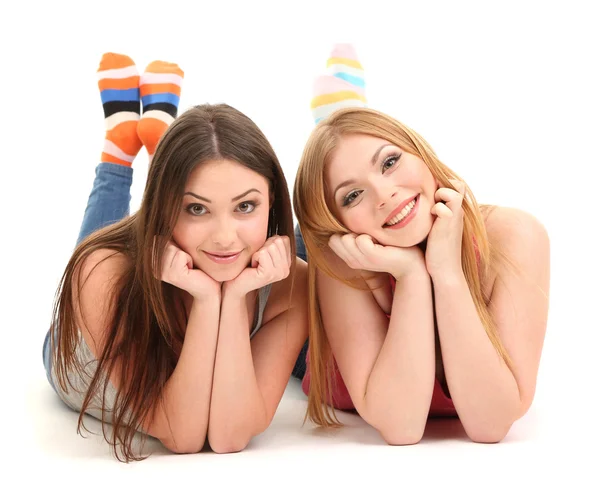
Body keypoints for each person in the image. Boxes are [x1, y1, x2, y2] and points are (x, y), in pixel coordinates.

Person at [43, 52, 308, 461]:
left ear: (273, 202)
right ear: (168, 208)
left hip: (167, 240)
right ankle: (117, 152)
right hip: (77, 343)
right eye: (196, 208)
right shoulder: (101, 272)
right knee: (100, 246)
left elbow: (230, 436)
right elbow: (182, 436)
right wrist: (205, 299)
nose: (225, 239)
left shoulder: (293, 283)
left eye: (246, 207)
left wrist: (232, 297)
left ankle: (164, 157)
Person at [292, 44, 550, 444]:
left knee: (342, 154)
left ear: (422, 153)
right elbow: (401, 427)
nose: (384, 193)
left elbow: (490, 424)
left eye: (390, 162)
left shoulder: (515, 236)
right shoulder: (339, 253)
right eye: (352, 195)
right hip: (324, 315)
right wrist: (410, 274)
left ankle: (341, 120)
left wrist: (444, 272)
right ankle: (337, 124)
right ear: (339, 221)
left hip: (384, 237)